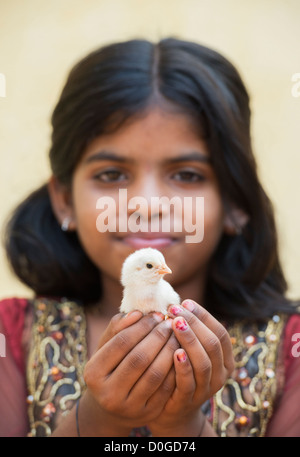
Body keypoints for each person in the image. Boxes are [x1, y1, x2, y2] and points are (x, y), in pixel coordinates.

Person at [1, 37, 300, 438]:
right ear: (64, 200)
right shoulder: (12, 337)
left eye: (187, 175)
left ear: (236, 202)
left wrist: (181, 425)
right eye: (112, 175)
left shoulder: (290, 349)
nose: (146, 204)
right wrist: (96, 420)